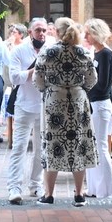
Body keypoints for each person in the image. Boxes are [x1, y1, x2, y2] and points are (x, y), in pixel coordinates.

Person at [33, 17, 98, 207]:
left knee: (52, 144)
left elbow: (38, 78)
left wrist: (48, 90)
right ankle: (79, 194)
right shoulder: (82, 52)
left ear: (57, 32)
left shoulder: (48, 51)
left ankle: (49, 195)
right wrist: (79, 89)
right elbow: (92, 79)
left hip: (54, 101)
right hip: (78, 102)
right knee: (79, 145)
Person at [6, 17, 51, 205]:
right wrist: (35, 70)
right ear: (30, 32)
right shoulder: (19, 51)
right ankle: (14, 187)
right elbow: (14, 78)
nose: (41, 33)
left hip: (44, 106)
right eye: (38, 30)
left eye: (44, 30)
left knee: (41, 148)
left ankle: (35, 184)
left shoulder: (51, 50)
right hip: (24, 105)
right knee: (19, 147)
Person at [83, 18, 112, 199]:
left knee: (100, 146)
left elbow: (103, 84)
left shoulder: (105, 54)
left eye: (88, 33)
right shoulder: (96, 53)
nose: (85, 36)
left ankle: (107, 190)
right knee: (92, 146)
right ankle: (94, 188)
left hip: (100, 104)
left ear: (96, 34)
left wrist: (84, 88)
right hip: (93, 104)